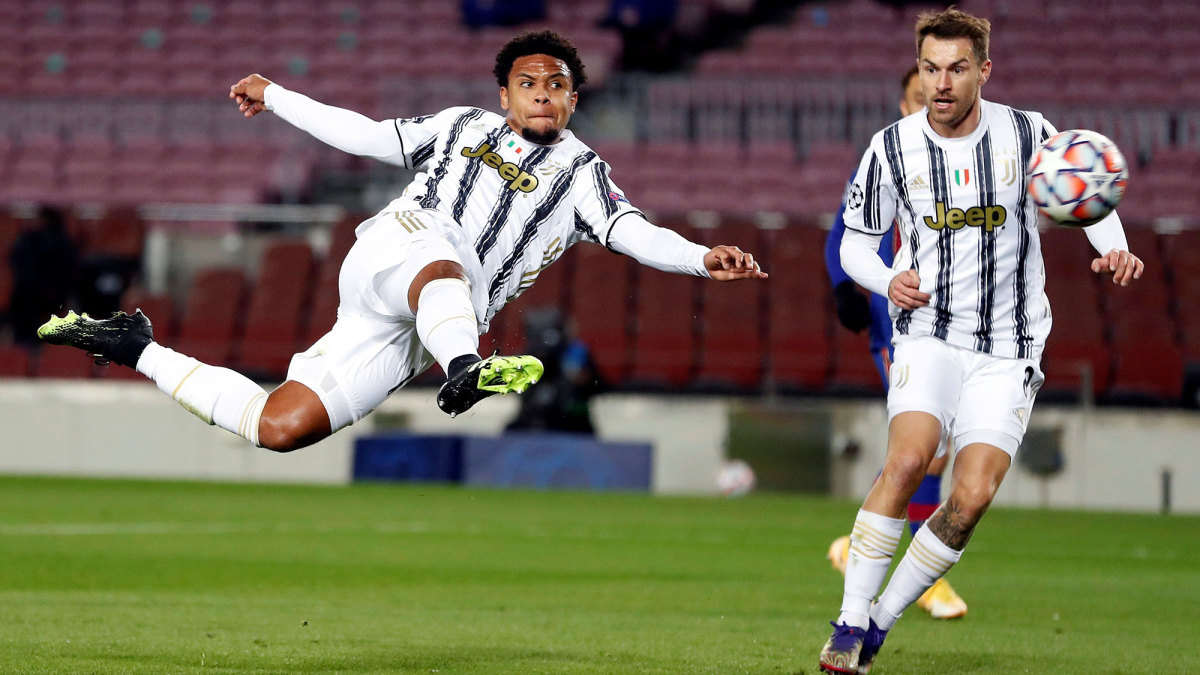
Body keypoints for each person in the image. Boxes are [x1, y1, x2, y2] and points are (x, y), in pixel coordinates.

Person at [38, 30, 766, 452]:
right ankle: (467, 368)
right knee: (440, 252)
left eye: (557, 83)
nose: (543, 90)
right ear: (504, 95)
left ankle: (133, 343)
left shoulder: (583, 171)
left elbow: (632, 232)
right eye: (528, 81)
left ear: (574, 99)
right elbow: (367, 136)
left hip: (429, 326)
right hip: (400, 246)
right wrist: (279, 94)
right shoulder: (459, 126)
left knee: (280, 426)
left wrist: (701, 258)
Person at [817, 9, 1143, 673]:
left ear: (983, 71)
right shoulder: (891, 146)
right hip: (928, 333)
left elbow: (1086, 190)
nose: (942, 81)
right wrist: (887, 280)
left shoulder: (1028, 132)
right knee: (908, 459)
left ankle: (880, 621)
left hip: (1010, 344)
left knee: (970, 500)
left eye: (957, 68)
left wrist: (1117, 249)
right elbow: (852, 241)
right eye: (932, 67)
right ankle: (848, 622)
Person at [823, 65, 967, 621]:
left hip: (960, 324)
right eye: (917, 93)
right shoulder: (887, 157)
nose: (933, 96)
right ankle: (922, 580)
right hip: (899, 323)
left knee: (930, 454)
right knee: (927, 452)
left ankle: (856, 547)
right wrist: (844, 288)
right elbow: (843, 231)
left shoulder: (968, 160)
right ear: (906, 104)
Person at [9, 205, 79, 347]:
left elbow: (68, 273)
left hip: (52, 298)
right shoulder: (27, 240)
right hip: (27, 296)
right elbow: (16, 263)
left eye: (40, 219)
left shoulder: (62, 243)